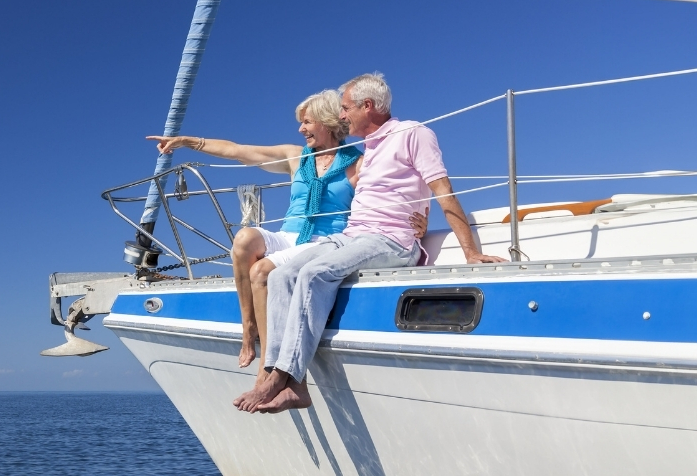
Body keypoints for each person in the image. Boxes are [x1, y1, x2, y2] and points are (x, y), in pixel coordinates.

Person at [233, 73, 506, 414]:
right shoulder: (369, 148)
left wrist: (470, 251)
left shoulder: (413, 133)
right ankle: (292, 383)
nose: (342, 116)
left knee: (315, 273)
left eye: (346, 108)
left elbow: (441, 189)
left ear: (368, 106)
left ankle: (280, 376)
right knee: (280, 275)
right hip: (352, 235)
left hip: (390, 239)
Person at [147, 89, 428, 384]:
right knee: (244, 239)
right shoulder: (295, 157)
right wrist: (186, 142)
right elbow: (237, 151)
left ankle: (267, 365)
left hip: (324, 242)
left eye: (307, 122)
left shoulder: (359, 164)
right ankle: (248, 330)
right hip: (288, 235)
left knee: (262, 271)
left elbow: (396, 189)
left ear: (327, 121)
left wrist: (418, 220)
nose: (301, 129)